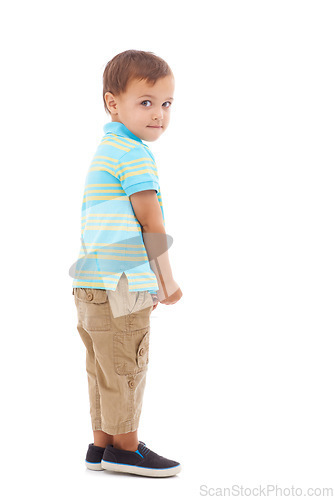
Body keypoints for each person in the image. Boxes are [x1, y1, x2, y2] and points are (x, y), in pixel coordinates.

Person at [71, 50, 183, 477]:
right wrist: (166, 282)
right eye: (146, 102)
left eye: (167, 103)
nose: (159, 113)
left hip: (90, 279)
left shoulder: (107, 149)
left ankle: (101, 445)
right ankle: (126, 448)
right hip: (120, 280)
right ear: (112, 102)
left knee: (102, 364)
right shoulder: (134, 153)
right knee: (126, 365)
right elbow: (150, 220)